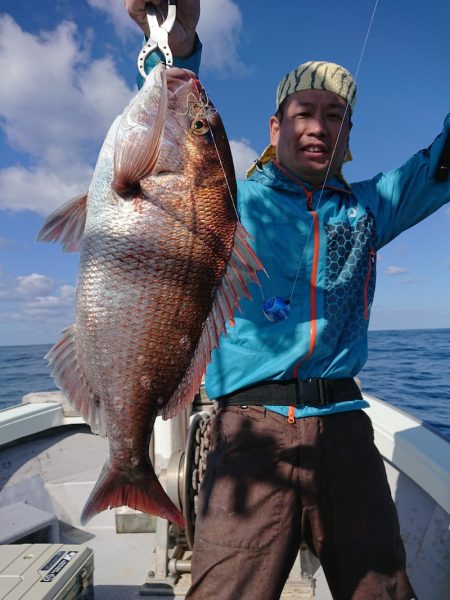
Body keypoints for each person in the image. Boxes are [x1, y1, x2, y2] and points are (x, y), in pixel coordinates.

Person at [125, 2, 450, 598]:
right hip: (248, 432)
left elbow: (440, 164)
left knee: (384, 589)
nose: (318, 127)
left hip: (346, 428)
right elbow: (171, 136)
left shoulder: (370, 207)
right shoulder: (228, 198)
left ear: (349, 136)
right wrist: (178, 39)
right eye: (304, 113)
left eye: (335, 117)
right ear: (276, 128)